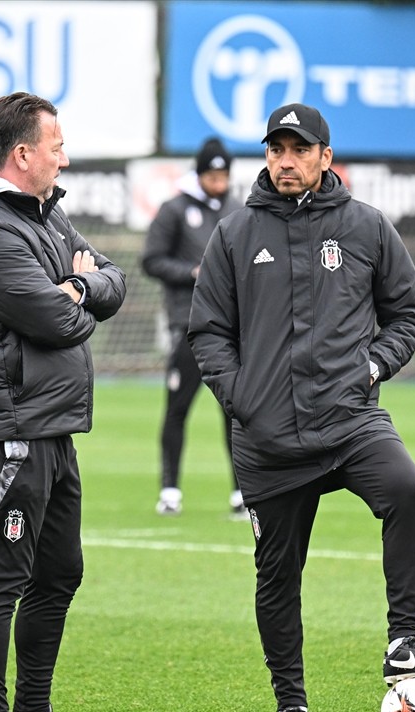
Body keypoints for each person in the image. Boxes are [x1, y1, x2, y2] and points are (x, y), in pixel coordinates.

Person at [188, 103, 415, 712]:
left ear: (325, 158)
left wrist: (371, 367)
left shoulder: (365, 227)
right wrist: (243, 398)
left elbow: (410, 316)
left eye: (299, 149)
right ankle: (292, 710)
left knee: (409, 492)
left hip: (349, 420)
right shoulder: (234, 233)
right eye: (276, 149)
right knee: (277, 575)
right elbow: (208, 332)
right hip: (267, 441)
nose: (286, 160)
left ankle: (403, 641)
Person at [0, 92, 126, 712]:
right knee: (3, 576)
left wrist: (78, 287)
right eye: (56, 146)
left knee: (60, 572)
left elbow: (112, 281)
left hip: (53, 426)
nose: (65, 156)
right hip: (9, 429)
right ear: (22, 155)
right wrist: (78, 295)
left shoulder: (47, 214)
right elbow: (58, 323)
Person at [141, 137, 243, 519]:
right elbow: (151, 259)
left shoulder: (237, 210)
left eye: (223, 174)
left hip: (232, 328)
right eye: (212, 174)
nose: (219, 181)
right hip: (188, 324)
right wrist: (192, 273)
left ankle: (241, 492)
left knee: (236, 410)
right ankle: (170, 490)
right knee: (178, 408)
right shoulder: (174, 210)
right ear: (199, 174)